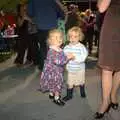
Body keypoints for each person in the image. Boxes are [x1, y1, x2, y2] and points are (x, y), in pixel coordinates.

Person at [95, 0, 120, 119]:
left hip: (114, 24)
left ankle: (106, 102)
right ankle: (113, 97)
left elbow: (101, 7)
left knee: (107, 67)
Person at [28, 0, 66, 70]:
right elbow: (61, 14)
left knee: (42, 47)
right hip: (52, 27)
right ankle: (55, 66)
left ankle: (43, 67)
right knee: (54, 46)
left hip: (41, 26)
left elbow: (30, 13)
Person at [39, 29, 74, 106]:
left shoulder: (58, 48)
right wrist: (68, 58)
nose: (59, 39)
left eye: (60, 37)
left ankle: (51, 94)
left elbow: (62, 55)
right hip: (54, 72)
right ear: (50, 41)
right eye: (56, 38)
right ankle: (56, 98)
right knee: (57, 84)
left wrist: (66, 55)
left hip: (54, 71)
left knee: (52, 83)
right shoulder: (52, 51)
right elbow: (58, 61)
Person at [62, 26, 88, 102]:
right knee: (70, 83)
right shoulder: (66, 47)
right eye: (71, 36)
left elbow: (83, 58)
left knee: (81, 81)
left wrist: (74, 58)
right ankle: (69, 95)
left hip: (80, 69)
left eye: (75, 36)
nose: (72, 38)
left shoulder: (81, 47)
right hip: (70, 69)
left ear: (79, 37)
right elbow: (63, 56)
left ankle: (82, 91)